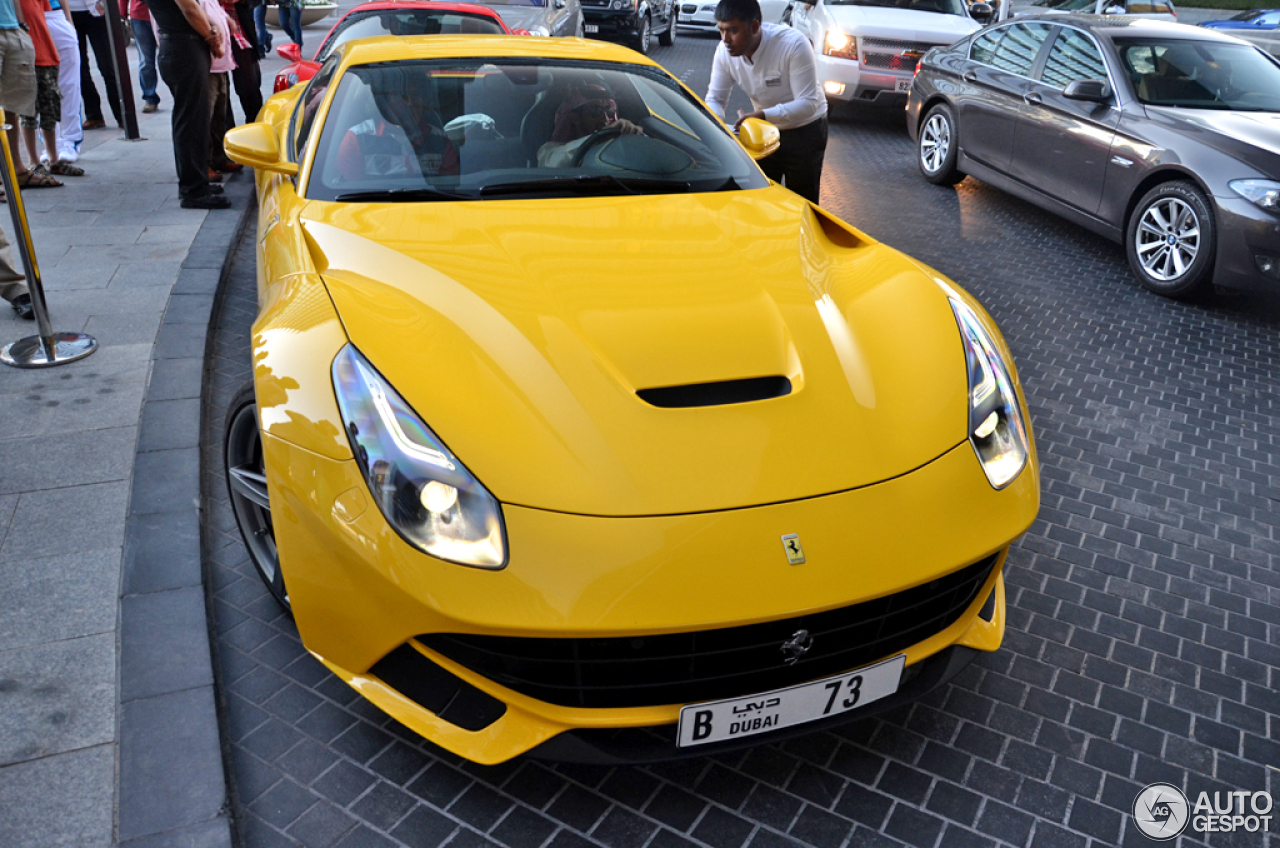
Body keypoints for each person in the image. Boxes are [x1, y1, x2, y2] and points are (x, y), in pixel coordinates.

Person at [705, 0, 828, 204]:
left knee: (802, 203)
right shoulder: (723, 52)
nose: (726, 39)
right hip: (764, 131)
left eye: (733, 30)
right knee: (762, 200)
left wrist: (762, 114)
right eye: (721, 30)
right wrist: (716, 126)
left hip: (805, 130)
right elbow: (716, 98)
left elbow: (808, 104)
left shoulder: (793, 44)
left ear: (754, 27)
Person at [145, 0, 231, 208]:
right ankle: (194, 190)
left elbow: (194, 8)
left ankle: (197, 182)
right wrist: (212, 38)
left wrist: (213, 27)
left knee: (195, 121)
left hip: (183, 47)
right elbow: (190, 9)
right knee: (192, 122)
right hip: (183, 48)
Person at [0, 0, 37, 318]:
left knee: (13, 111)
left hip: (11, 28)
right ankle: (13, 285)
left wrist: (22, 27)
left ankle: (14, 286)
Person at [18, 0, 82, 179]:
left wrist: (68, 22)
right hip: (26, 35)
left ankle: (58, 152)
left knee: (54, 98)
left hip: (49, 26)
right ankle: (37, 159)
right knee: (29, 105)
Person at [536, 80, 641, 168]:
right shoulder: (548, 150)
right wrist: (597, 139)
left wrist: (631, 137)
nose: (605, 119)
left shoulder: (613, 144)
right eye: (596, 111)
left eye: (609, 112)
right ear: (575, 117)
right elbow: (550, 164)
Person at [68, 0, 121, 129]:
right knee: (79, 68)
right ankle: (94, 115)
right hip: (69, 14)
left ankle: (121, 115)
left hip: (96, 12)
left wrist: (102, 3)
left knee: (108, 67)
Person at [43, 0, 78, 160]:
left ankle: (70, 142)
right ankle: (51, 145)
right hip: (32, 21)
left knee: (68, 87)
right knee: (41, 90)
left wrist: (69, 23)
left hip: (55, 17)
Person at [121, 0, 160, 112]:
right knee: (145, 61)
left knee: (171, 58)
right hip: (140, 17)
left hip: (163, 15)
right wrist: (121, 15)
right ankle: (150, 98)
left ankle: (178, 96)